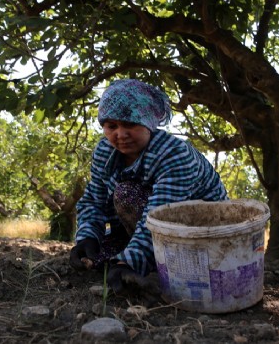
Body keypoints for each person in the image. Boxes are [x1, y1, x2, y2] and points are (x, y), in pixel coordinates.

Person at [69, 79, 228, 296]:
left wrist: (127, 264)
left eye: (130, 124)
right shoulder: (105, 152)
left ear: (149, 123)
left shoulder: (174, 154)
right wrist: (87, 237)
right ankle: (143, 260)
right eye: (111, 126)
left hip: (201, 234)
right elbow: (93, 200)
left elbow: (159, 216)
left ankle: (148, 262)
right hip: (148, 229)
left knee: (127, 195)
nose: (121, 135)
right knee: (96, 257)